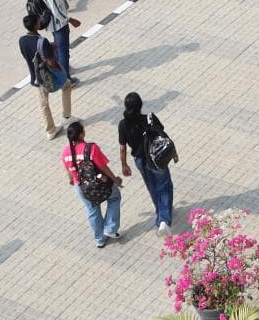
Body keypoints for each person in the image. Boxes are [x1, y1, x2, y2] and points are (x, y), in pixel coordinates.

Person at [118, 91, 177, 234]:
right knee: (165, 186)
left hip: (140, 161)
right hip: (156, 158)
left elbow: (122, 147)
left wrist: (124, 165)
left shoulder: (123, 124)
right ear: (140, 106)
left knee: (152, 187)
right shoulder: (148, 119)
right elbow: (162, 134)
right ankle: (164, 221)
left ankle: (160, 214)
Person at [60, 120, 122, 248]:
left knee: (92, 210)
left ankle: (99, 239)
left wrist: (71, 180)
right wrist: (115, 179)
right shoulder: (90, 148)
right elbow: (103, 167)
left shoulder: (65, 152)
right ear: (81, 134)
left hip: (81, 188)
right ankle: (110, 229)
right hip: (99, 184)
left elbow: (69, 172)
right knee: (115, 197)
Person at [21, 11, 72, 137]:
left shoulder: (22, 40)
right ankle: (66, 116)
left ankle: (50, 130)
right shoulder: (42, 41)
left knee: (43, 103)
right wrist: (58, 67)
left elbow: (32, 52)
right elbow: (50, 62)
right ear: (35, 26)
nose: (41, 22)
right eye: (39, 21)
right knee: (66, 84)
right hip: (48, 76)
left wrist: (47, 47)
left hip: (35, 77)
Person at [30, 0, 81, 85]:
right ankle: (66, 79)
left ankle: (61, 68)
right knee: (63, 50)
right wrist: (70, 20)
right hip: (58, 24)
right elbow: (56, 10)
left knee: (59, 48)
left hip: (51, 24)